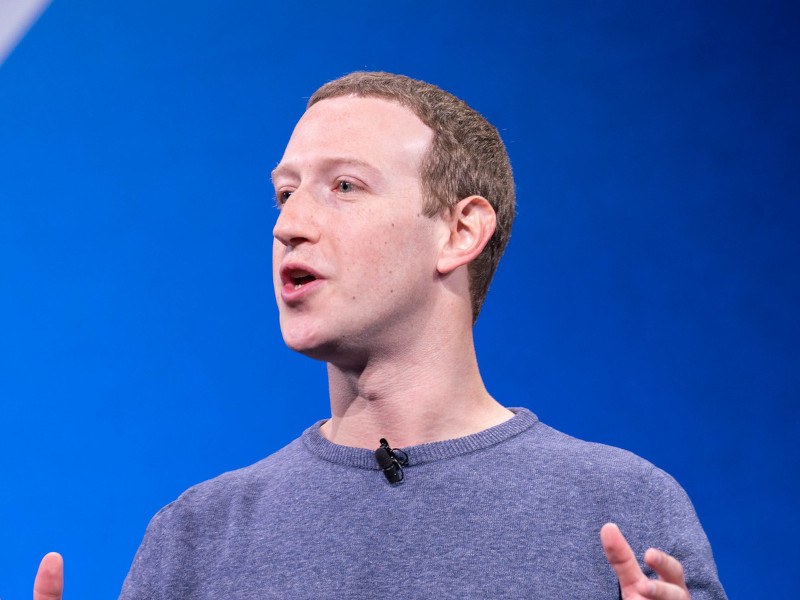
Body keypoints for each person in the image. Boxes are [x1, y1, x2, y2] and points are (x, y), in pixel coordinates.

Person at [33, 72, 726, 599]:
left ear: (459, 232)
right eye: (284, 193)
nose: (288, 225)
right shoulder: (197, 537)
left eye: (344, 187)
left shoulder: (625, 510)